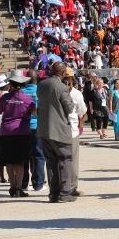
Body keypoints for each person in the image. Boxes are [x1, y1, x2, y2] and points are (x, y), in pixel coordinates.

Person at [37, 62, 76, 203]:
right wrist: (69, 92)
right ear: (64, 72)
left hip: (44, 129)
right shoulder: (62, 87)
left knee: (51, 162)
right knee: (65, 159)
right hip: (59, 129)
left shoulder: (41, 85)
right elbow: (70, 108)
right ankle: (65, 193)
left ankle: (53, 193)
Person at [0, 70, 35, 198]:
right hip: (22, 131)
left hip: (6, 132)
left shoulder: (4, 98)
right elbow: (35, 112)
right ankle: (18, 187)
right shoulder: (28, 99)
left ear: (10, 83)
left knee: (9, 161)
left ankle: (12, 186)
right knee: (20, 162)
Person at [21, 69, 46, 192]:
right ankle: (38, 184)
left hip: (24, 127)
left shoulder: (21, 92)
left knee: (24, 156)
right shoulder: (41, 92)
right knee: (39, 156)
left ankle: (24, 183)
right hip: (38, 127)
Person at [63, 67, 87, 197]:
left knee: (60, 159)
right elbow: (82, 111)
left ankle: (62, 187)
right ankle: (71, 187)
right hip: (71, 128)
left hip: (63, 129)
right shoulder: (76, 93)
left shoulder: (55, 91)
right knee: (72, 159)